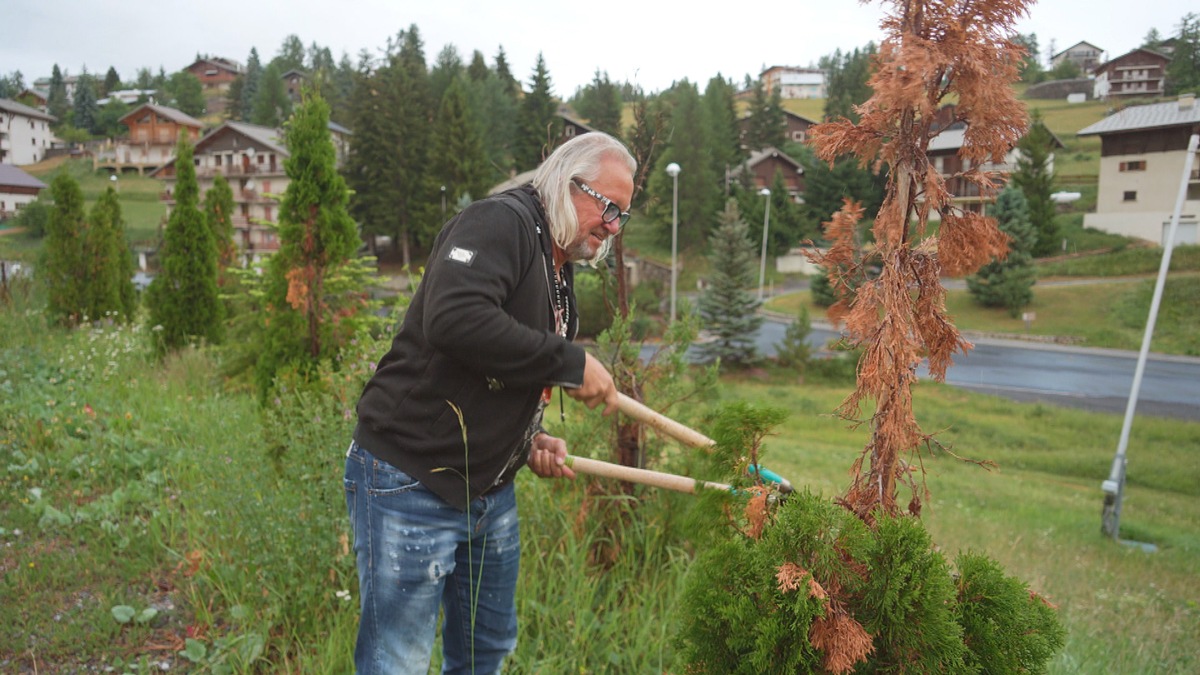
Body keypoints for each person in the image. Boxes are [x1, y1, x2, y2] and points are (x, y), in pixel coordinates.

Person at [344, 131, 636, 674]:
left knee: (485, 655)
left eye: (624, 215)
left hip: (489, 493)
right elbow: (455, 320)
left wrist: (530, 439)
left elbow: (503, 366)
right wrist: (571, 363)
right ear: (568, 183)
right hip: (411, 479)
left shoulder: (557, 261)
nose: (614, 226)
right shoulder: (498, 222)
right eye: (609, 207)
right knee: (398, 664)